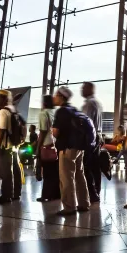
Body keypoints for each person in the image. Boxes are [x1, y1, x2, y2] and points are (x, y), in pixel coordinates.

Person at [53, 86, 90, 216]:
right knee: (80, 175)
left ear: (61, 97)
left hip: (67, 148)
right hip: (79, 148)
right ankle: (84, 203)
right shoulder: (74, 110)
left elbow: (56, 132)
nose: (54, 97)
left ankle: (69, 206)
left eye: (56, 95)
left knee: (66, 177)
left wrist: (54, 132)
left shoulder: (62, 112)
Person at [0, 90, 22, 204]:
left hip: (5, 146)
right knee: (15, 170)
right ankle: (16, 193)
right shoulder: (13, 110)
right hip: (14, 145)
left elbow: (0, 131)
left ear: (4, 99)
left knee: (5, 172)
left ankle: (6, 196)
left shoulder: (3, 112)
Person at [81, 82, 103, 203]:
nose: (81, 90)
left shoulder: (89, 103)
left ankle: (91, 193)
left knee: (86, 167)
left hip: (90, 138)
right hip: (98, 137)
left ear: (90, 89)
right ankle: (97, 191)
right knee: (95, 167)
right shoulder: (98, 103)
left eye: (83, 88)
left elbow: (86, 123)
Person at [36, 95, 60, 202]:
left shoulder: (43, 113)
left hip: (47, 146)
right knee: (55, 172)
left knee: (47, 172)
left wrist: (38, 147)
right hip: (56, 145)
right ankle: (56, 194)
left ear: (44, 103)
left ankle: (46, 194)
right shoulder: (55, 112)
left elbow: (42, 131)